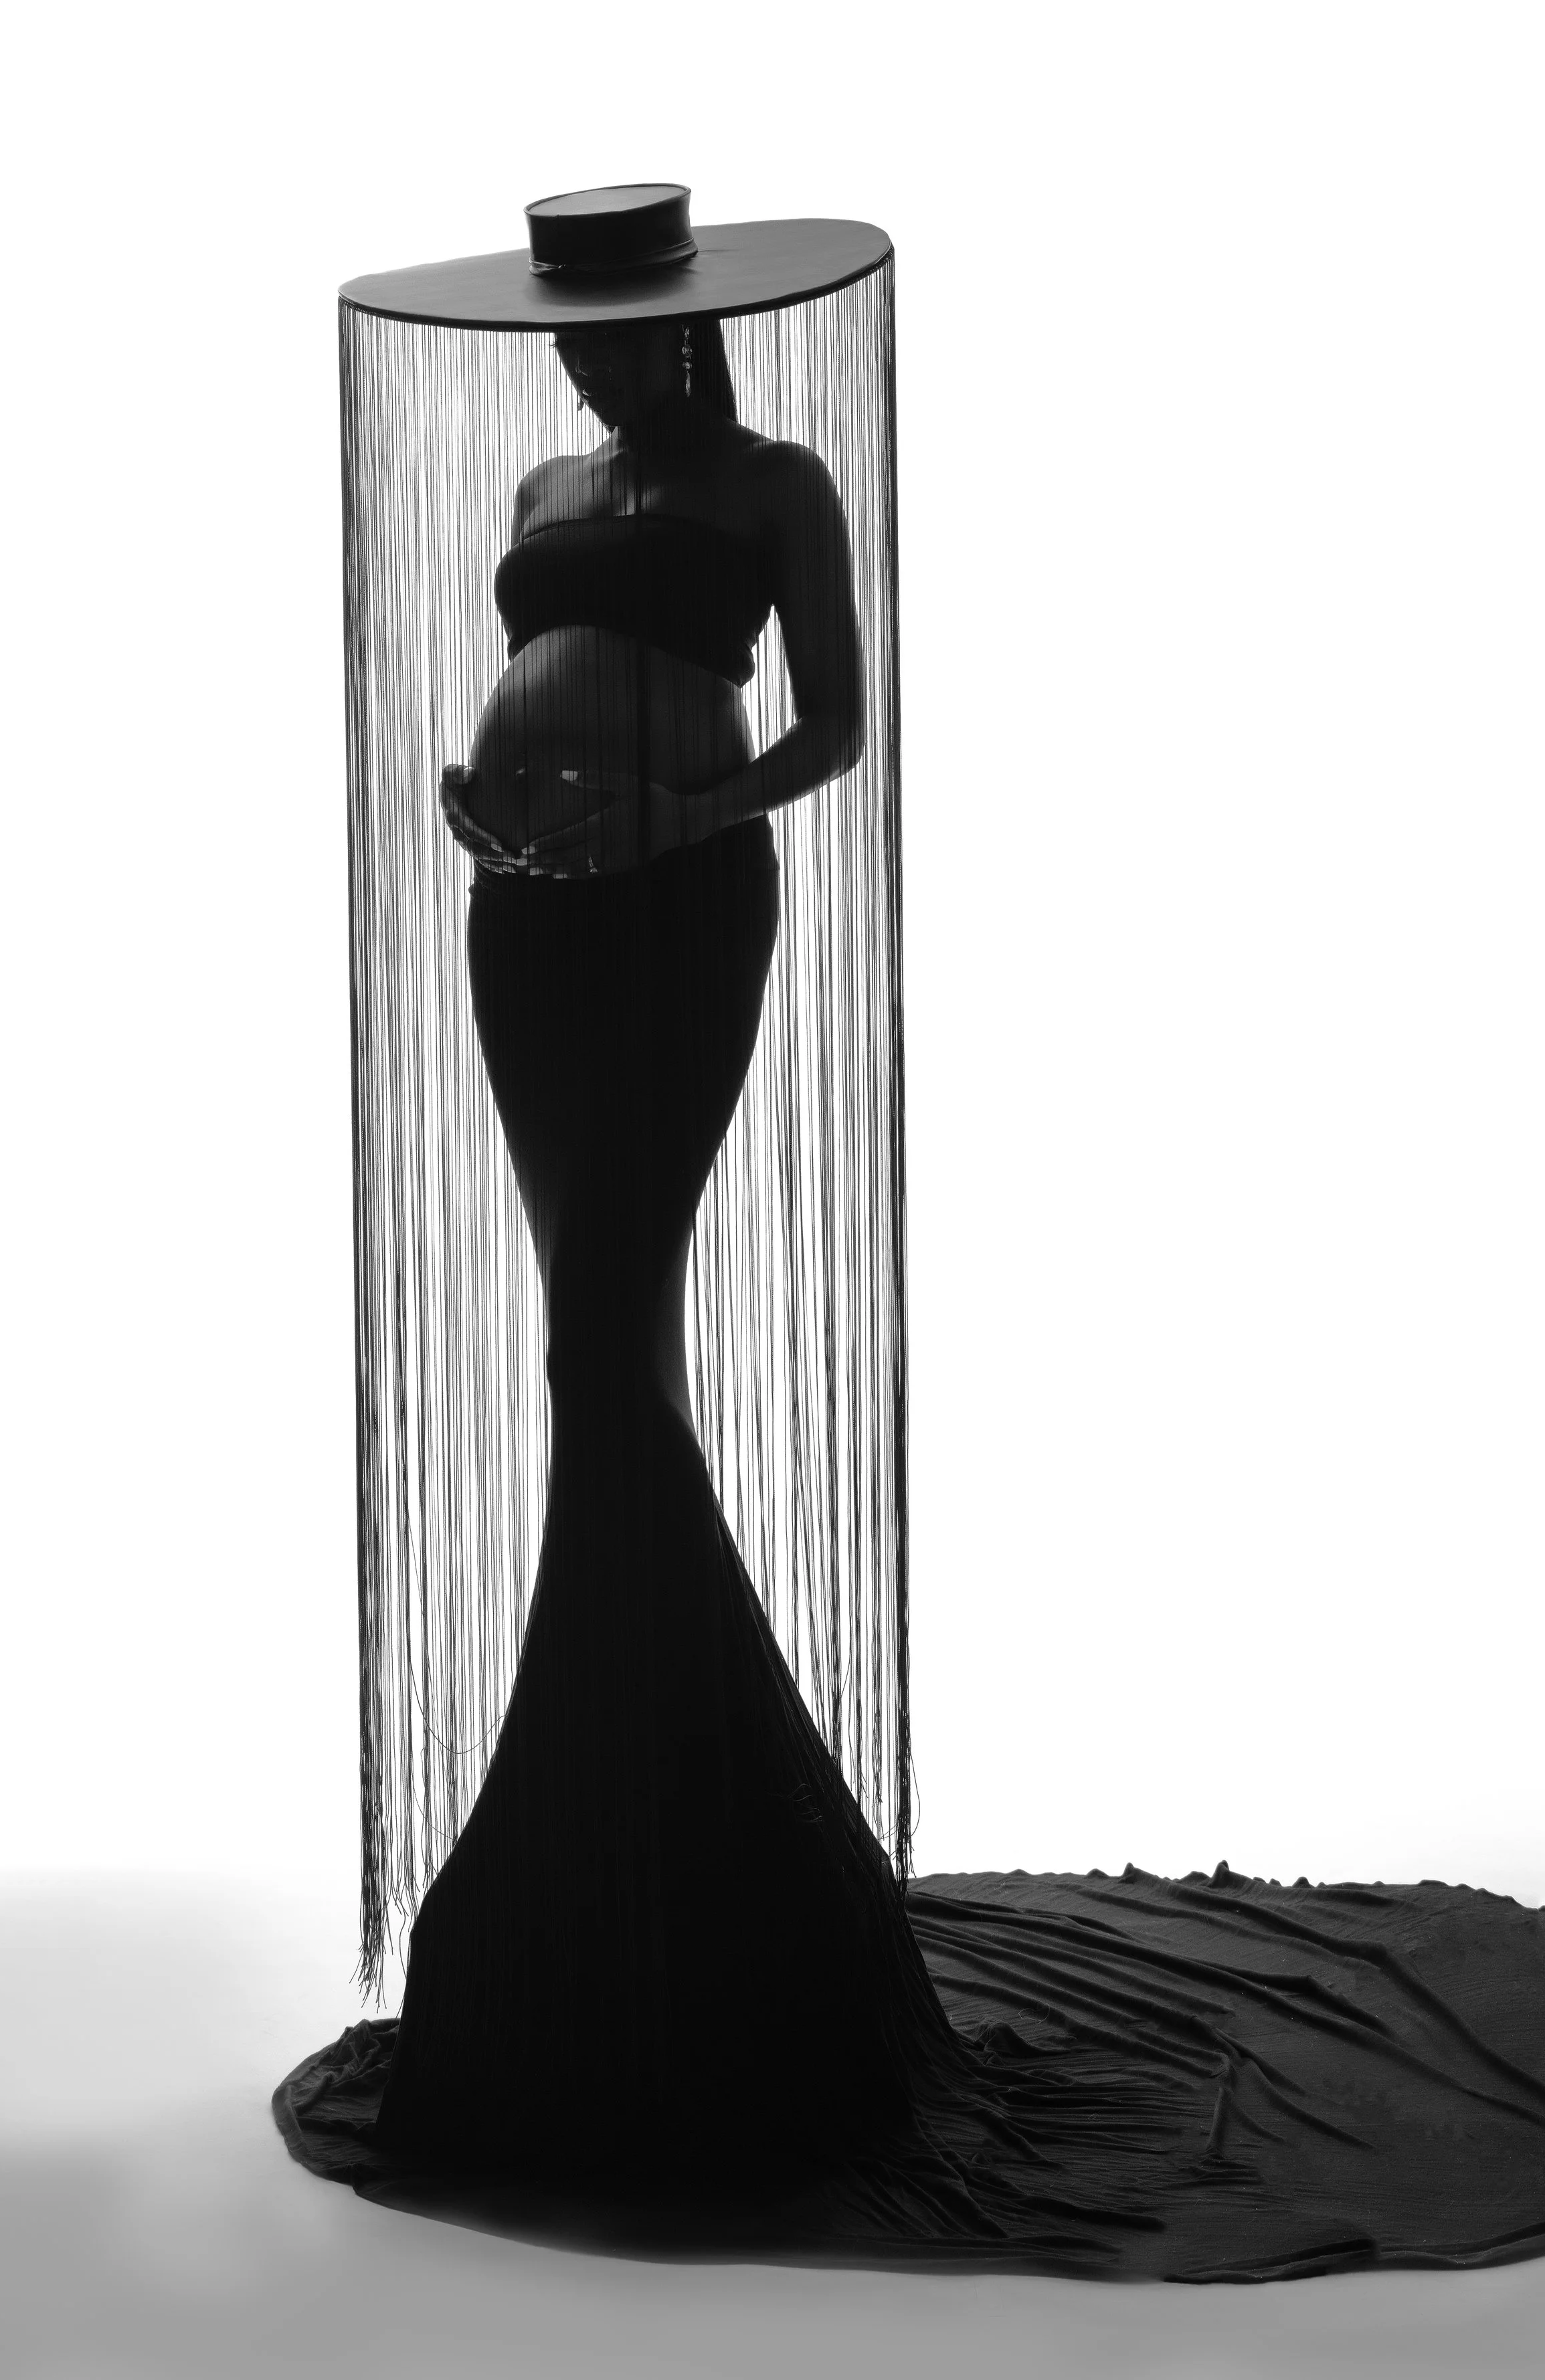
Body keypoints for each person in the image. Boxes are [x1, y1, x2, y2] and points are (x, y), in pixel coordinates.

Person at [375, 314, 958, 2177]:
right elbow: (535, 674)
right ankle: (639, 1830)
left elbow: (836, 727)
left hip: (685, 897)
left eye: (617, 341)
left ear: (685, 328)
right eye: (571, 344)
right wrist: (484, 795)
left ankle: (663, 1850)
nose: (587, 374)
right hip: (521, 918)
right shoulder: (544, 487)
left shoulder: (777, 487)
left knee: (595, 1344)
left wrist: (675, 807)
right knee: (592, 1340)